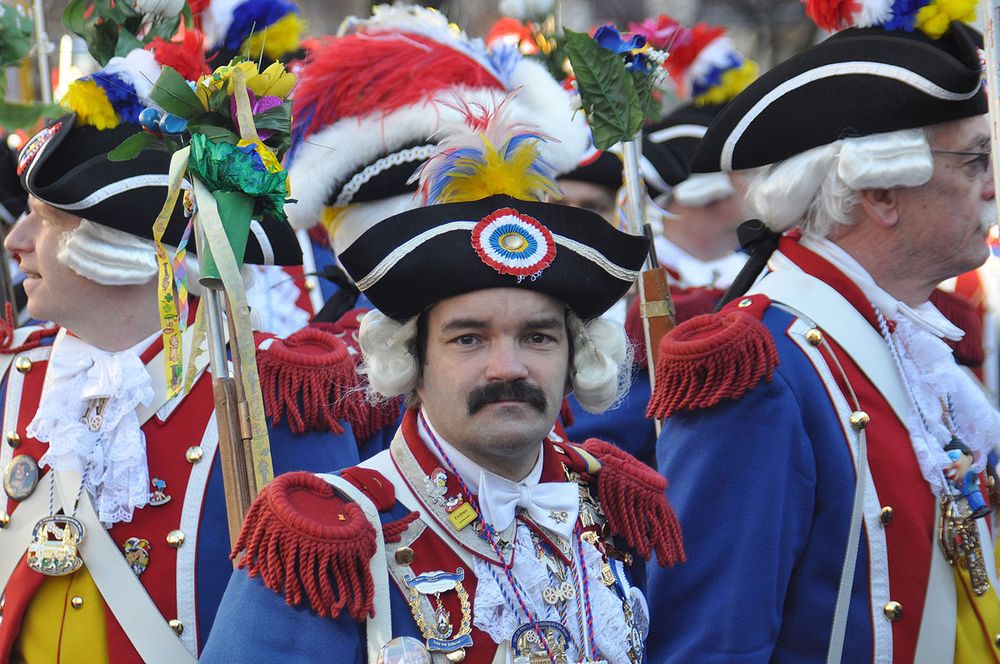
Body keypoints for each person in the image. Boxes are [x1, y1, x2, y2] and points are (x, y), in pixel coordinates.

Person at [201, 100, 684, 663]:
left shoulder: (609, 504)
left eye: (538, 337)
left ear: (576, 354)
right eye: (469, 338)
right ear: (413, 361)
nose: (508, 367)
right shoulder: (332, 538)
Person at [0, 51, 388, 662]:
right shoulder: (14, 379)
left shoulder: (271, 392)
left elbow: (305, 630)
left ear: (118, 248)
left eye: (45, 219)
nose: (15, 242)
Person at [645, 3, 1000, 661]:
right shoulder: (761, 368)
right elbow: (710, 645)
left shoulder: (901, 340)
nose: (992, 185)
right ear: (883, 193)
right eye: (976, 159)